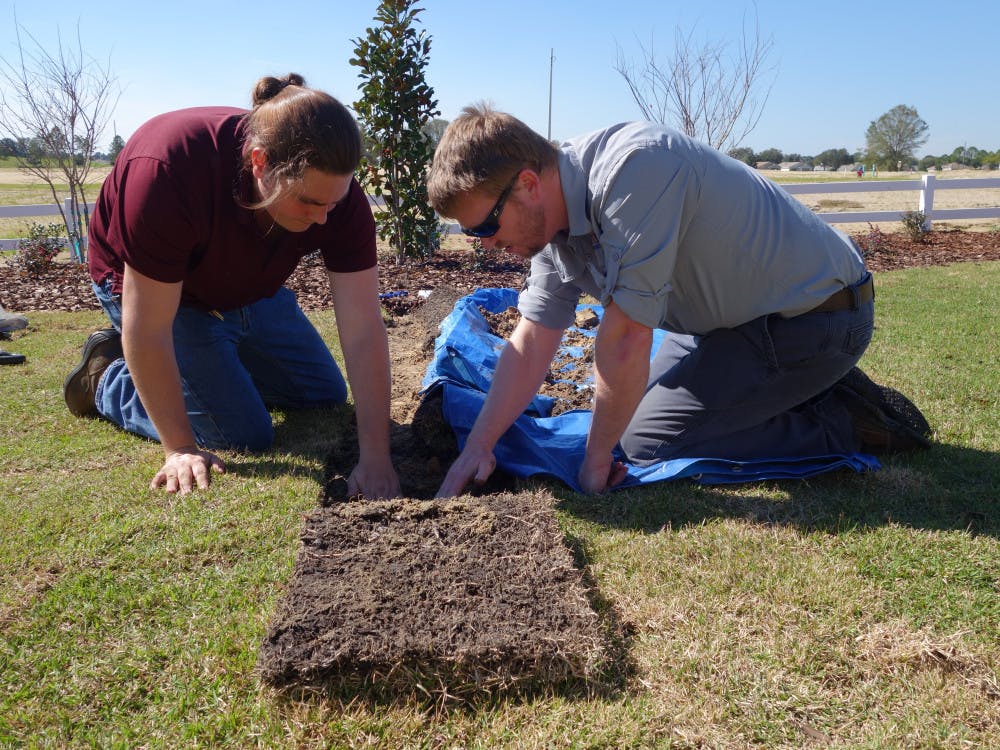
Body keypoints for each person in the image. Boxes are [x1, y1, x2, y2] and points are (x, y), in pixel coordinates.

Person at [426, 104, 929, 497]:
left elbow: (624, 339)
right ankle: (793, 389)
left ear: (529, 184)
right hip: (729, 326)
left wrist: (595, 463)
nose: (484, 243)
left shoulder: (635, 170)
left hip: (817, 318)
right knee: (628, 409)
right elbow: (532, 341)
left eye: (486, 226)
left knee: (645, 442)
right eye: (472, 234)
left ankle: (842, 419)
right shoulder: (551, 226)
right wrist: (479, 445)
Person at [63, 73, 401, 498]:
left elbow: (363, 329)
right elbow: (149, 326)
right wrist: (180, 447)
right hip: (167, 294)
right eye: (310, 203)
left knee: (322, 393)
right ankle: (106, 378)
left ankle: (215, 371)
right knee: (243, 431)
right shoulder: (168, 171)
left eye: (334, 202)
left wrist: (375, 457)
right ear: (259, 162)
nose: (324, 220)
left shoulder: (336, 201)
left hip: (247, 287)